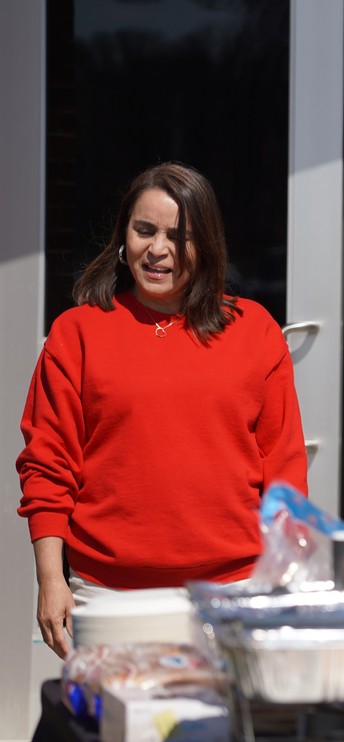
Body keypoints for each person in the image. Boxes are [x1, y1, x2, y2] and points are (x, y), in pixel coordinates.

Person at [17, 162, 309, 659]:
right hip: (108, 595)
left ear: (207, 245)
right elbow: (48, 466)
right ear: (122, 235)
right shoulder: (77, 333)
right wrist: (51, 579)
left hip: (233, 594)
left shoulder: (255, 331)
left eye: (178, 236)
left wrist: (287, 583)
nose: (157, 250)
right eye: (144, 230)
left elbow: (283, 468)